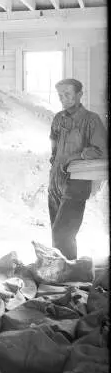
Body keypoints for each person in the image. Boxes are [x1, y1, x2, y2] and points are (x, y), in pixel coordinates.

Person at [47, 78, 107, 259]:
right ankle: (63, 269)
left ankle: (68, 274)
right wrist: (55, 162)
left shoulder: (92, 120)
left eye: (67, 94)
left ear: (80, 95)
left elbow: (101, 150)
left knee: (62, 233)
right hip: (56, 181)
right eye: (60, 95)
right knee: (56, 230)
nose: (63, 99)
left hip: (77, 182)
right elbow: (54, 145)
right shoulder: (58, 118)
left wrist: (75, 156)